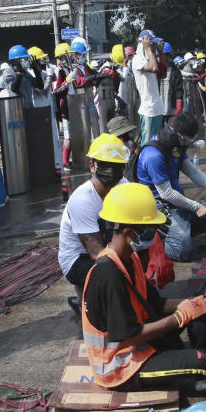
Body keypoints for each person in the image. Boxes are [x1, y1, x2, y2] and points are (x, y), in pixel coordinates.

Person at [82, 182, 206, 392]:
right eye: (150, 228)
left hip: (139, 346)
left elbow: (156, 303)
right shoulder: (108, 275)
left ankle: (195, 365)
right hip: (122, 367)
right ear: (128, 233)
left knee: (197, 306)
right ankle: (200, 366)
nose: (155, 234)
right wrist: (180, 318)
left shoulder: (129, 259)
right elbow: (132, 335)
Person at [136, 112, 206, 261]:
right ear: (181, 136)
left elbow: (192, 171)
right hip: (159, 209)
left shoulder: (175, 146)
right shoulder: (153, 155)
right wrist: (196, 207)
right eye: (189, 140)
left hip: (176, 205)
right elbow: (166, 194)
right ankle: (160, 233)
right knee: (185, 252)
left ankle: (179, 231)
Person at [58, 134, 129, 316]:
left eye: (117, 165)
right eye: (104, 164)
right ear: (92, 166)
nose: (111, 170)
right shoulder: (83, 200)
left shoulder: (123, 185)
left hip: (106, 243)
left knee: (139, 258)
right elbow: (98, 254)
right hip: (77, 259)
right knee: (112, 271)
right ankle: (89, 307)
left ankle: (90, 301)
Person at [132, 29, 165, 144]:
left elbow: (162, 72)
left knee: (157, 142)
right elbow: (154, 68)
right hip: (148, 109)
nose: (153, 47)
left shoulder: (150, 58)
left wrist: (159, 52)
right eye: (152, 44)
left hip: (157, 108)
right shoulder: (137, 59)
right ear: (143, 44)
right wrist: (148, 49)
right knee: (147, 144)